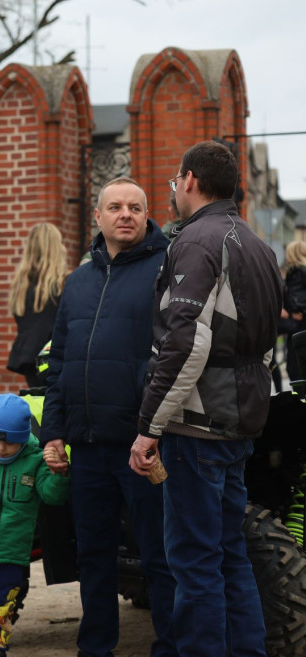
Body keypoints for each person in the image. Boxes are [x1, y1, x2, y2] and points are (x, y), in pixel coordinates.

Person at [130, 141, 284, 657]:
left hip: (196, 428)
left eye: (176, 180)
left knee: (194, 561)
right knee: (229, 553)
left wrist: (150, 426)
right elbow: (263, 347)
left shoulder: (197, 240)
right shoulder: (260, 246)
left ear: (190, 180)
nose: (174, 189)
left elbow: (184, 343)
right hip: (239, 421)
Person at [41, 176, 176, 657]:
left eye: (135, 208)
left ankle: (170, 647)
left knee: (160, 556)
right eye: (115, 207)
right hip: (89, 447)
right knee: (92, 556)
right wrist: (53, 432)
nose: (125, 214)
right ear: (96, 217)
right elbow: (58, 364)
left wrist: (154, 428)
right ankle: (95, 646)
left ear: (147, 215)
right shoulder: (77, 283)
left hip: (144, 444)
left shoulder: (167, 270)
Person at [0, 394, 70, 657]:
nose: (1, 448)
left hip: (12, 553)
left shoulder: (36, 459)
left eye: (9, 442)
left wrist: (60, 474)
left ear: (23, 437)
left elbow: (53, 496)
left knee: (5, 605)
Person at [6, 223, 68, 388]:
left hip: (29, 358)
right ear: (55, 247)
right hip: (55, 358)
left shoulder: (21, 286)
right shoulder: (64, 284)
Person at [280, 240, 306, 384]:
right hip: (299, 326)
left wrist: (292, 312)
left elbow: (296, 300)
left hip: (300, 327)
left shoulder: (297, 272)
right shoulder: (296, 272)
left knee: (296, 369)